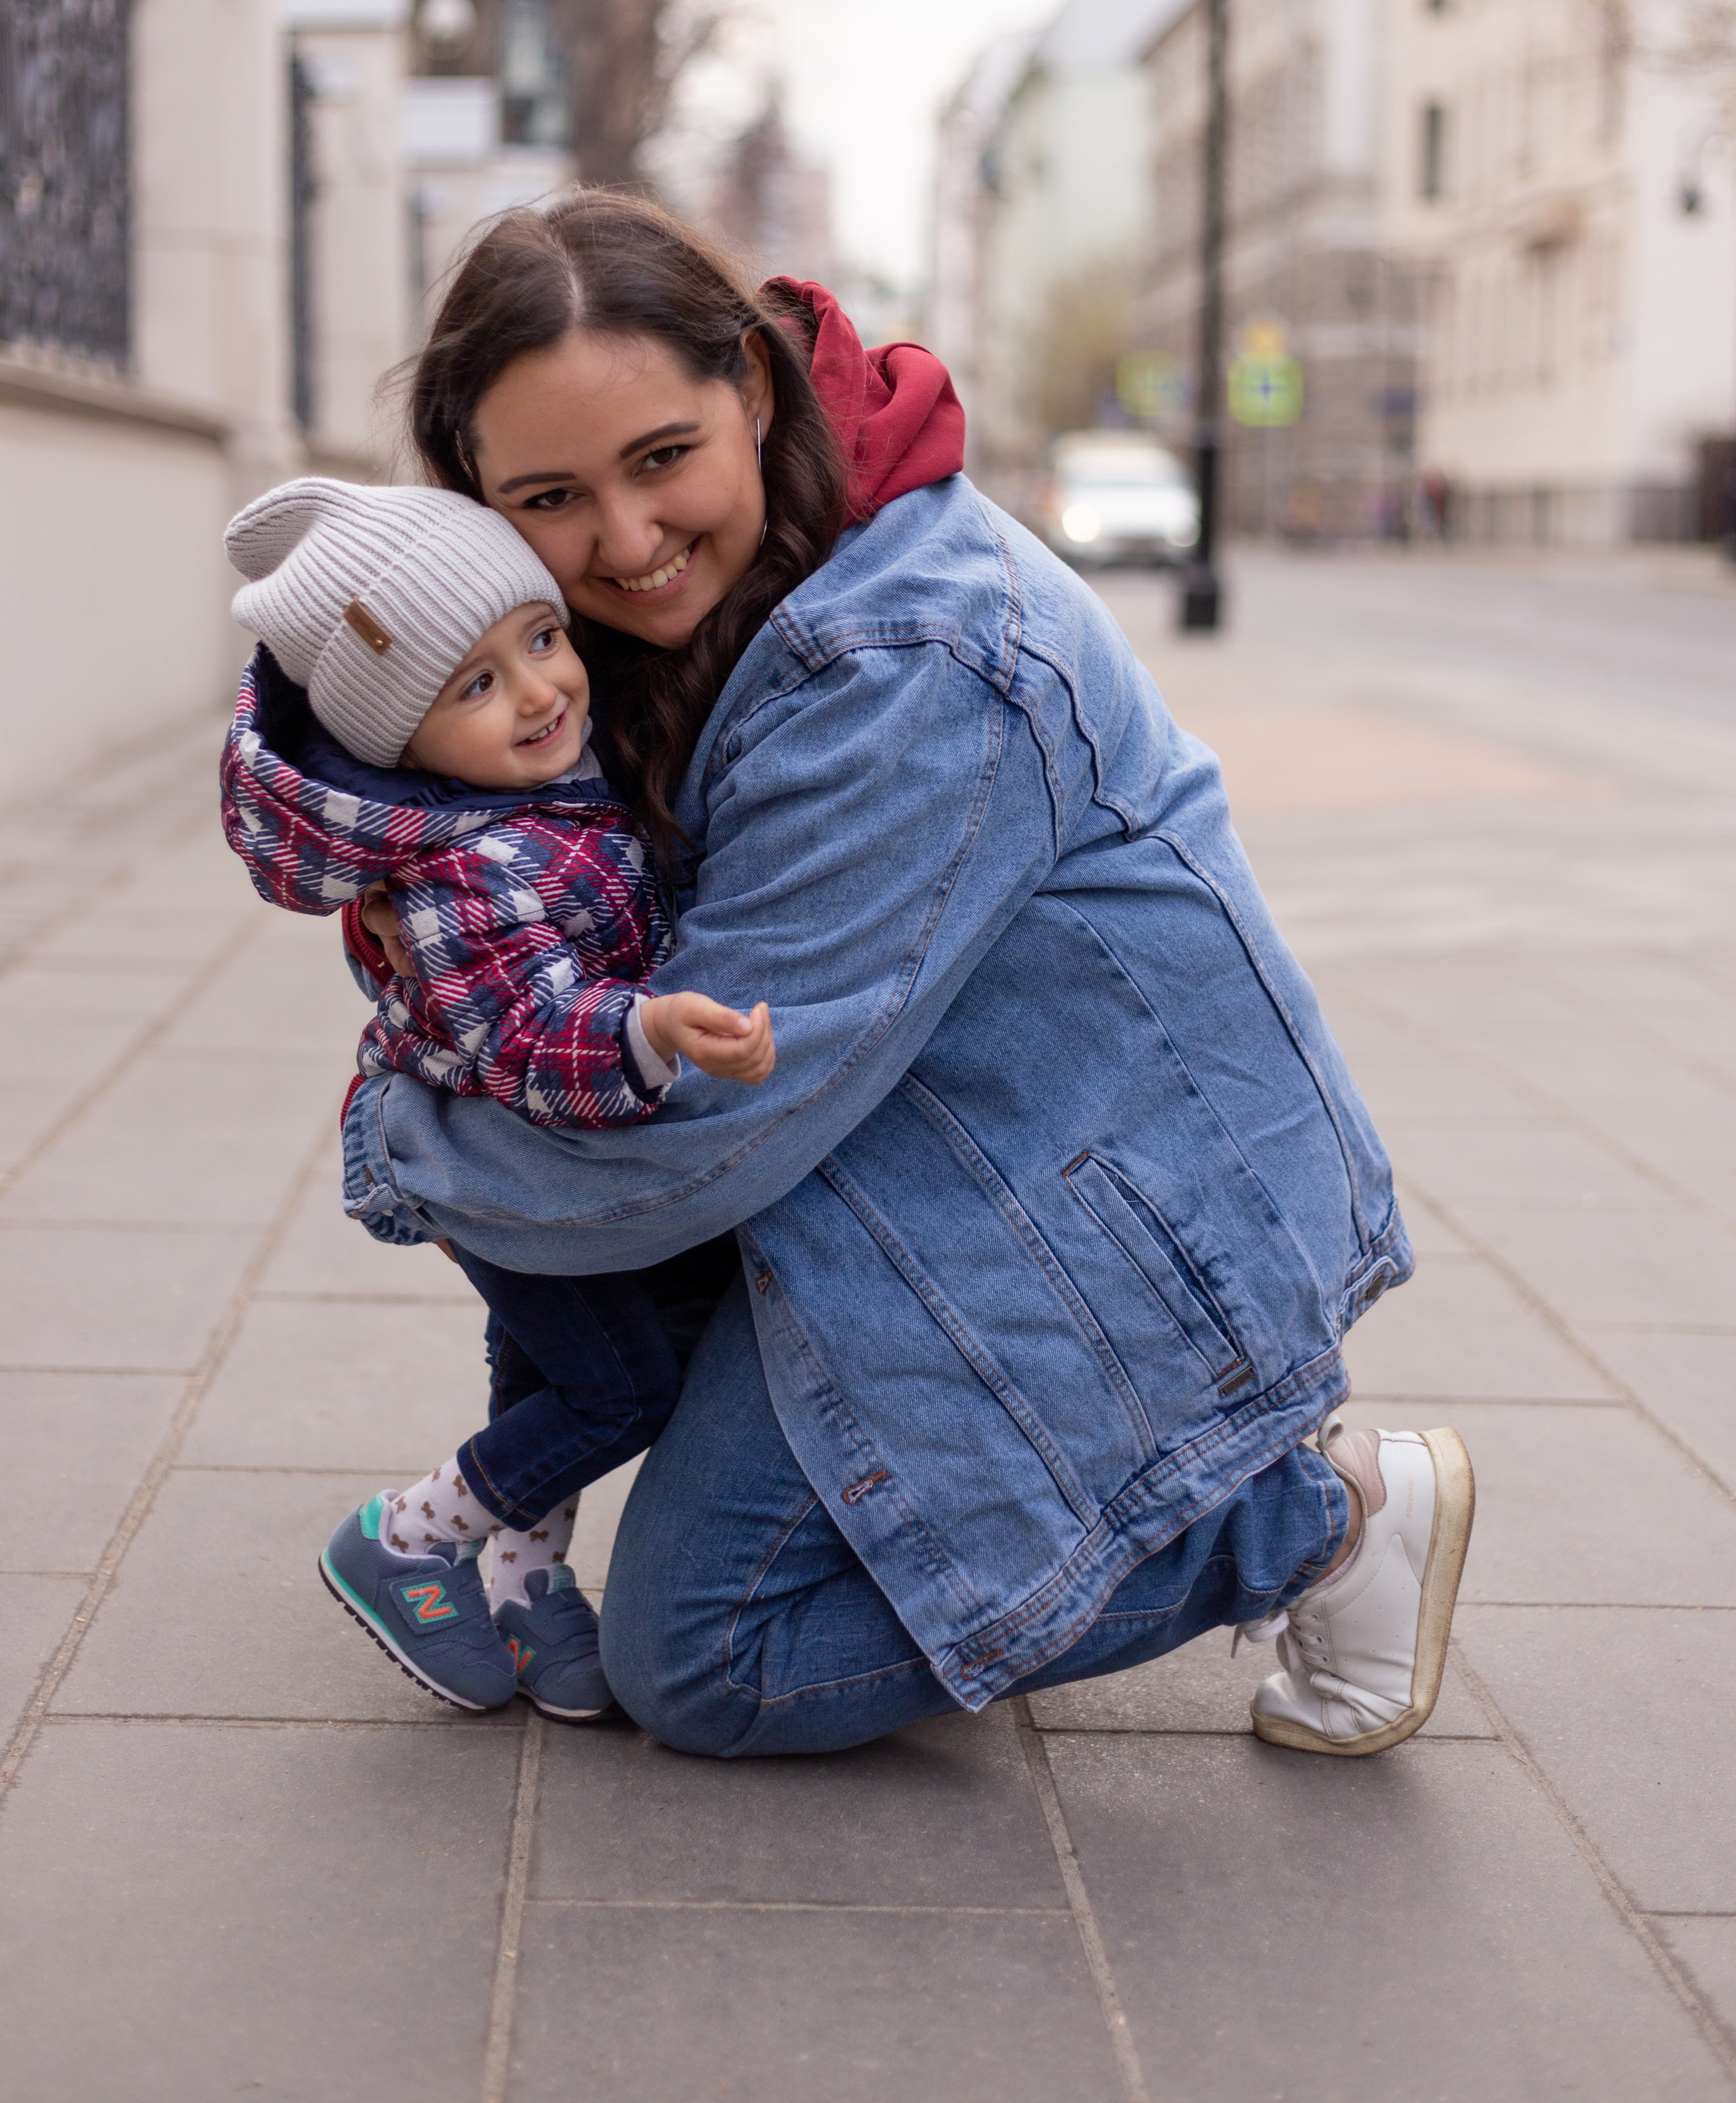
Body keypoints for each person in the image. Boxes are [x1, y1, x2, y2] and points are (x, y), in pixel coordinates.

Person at [340, 191, 1476, 1760]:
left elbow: (700, 1138)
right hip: (896, 1155)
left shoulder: (906, 659)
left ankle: (1319, 1519)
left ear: (752, 383)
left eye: (661, 458)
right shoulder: (641, 621)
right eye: (548, 497)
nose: (624, 542)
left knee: (706, 1659)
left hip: (1074, 1201)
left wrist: (397, 1134)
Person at [218, 477, 772, 1720]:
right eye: (473, 685)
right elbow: (521, 1034)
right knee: (621, 1386)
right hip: (505, 1160)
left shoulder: (549, 787)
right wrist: (646, 1028)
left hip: (551, 1170)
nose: (538, 691)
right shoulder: (462, 869)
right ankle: (408, 1539)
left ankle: (525, 1579)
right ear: (401, 742)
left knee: (542, 1368)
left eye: (539, 639)